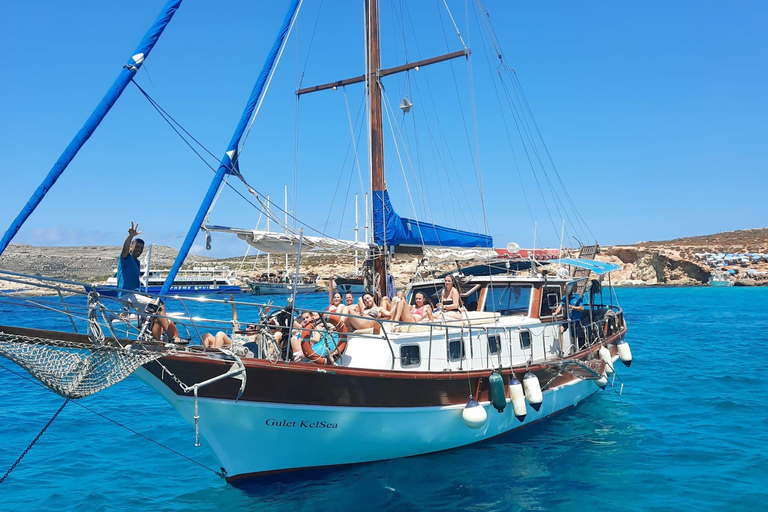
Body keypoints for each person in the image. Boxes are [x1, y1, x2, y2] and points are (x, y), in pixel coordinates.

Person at [118, 222, 181, 343]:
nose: (139, 250)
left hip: (134, 294)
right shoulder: (126, 258)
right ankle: (172, 338)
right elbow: (124, 249)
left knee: (157, 313)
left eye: (141, 248)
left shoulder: (136, 262)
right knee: (157, 307)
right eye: (137, 247)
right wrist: (130, 236)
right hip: (127, 295)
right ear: (131, 247)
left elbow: (135, 284)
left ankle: (157, 343)